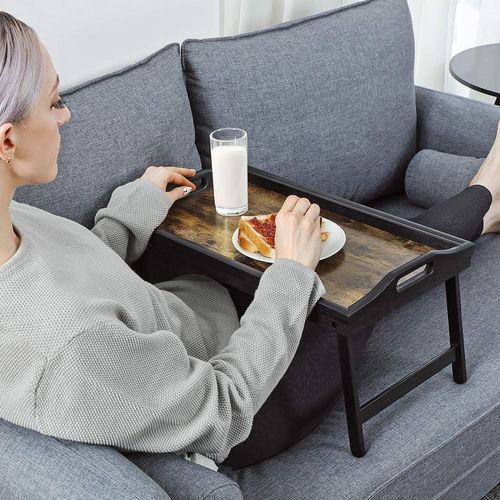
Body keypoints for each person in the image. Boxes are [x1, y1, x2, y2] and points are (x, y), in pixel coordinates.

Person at [0, 11, 498, 476]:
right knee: (378, 277)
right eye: (55, 102)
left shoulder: (13, 217)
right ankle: (489, 193)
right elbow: (224, 406)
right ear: (8, 142)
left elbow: (79, 276)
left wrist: (129, 209)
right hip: (257, 403)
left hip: (205, 320)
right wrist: (290, 277)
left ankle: (485, 207)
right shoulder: (69, 356)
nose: (66, 117)